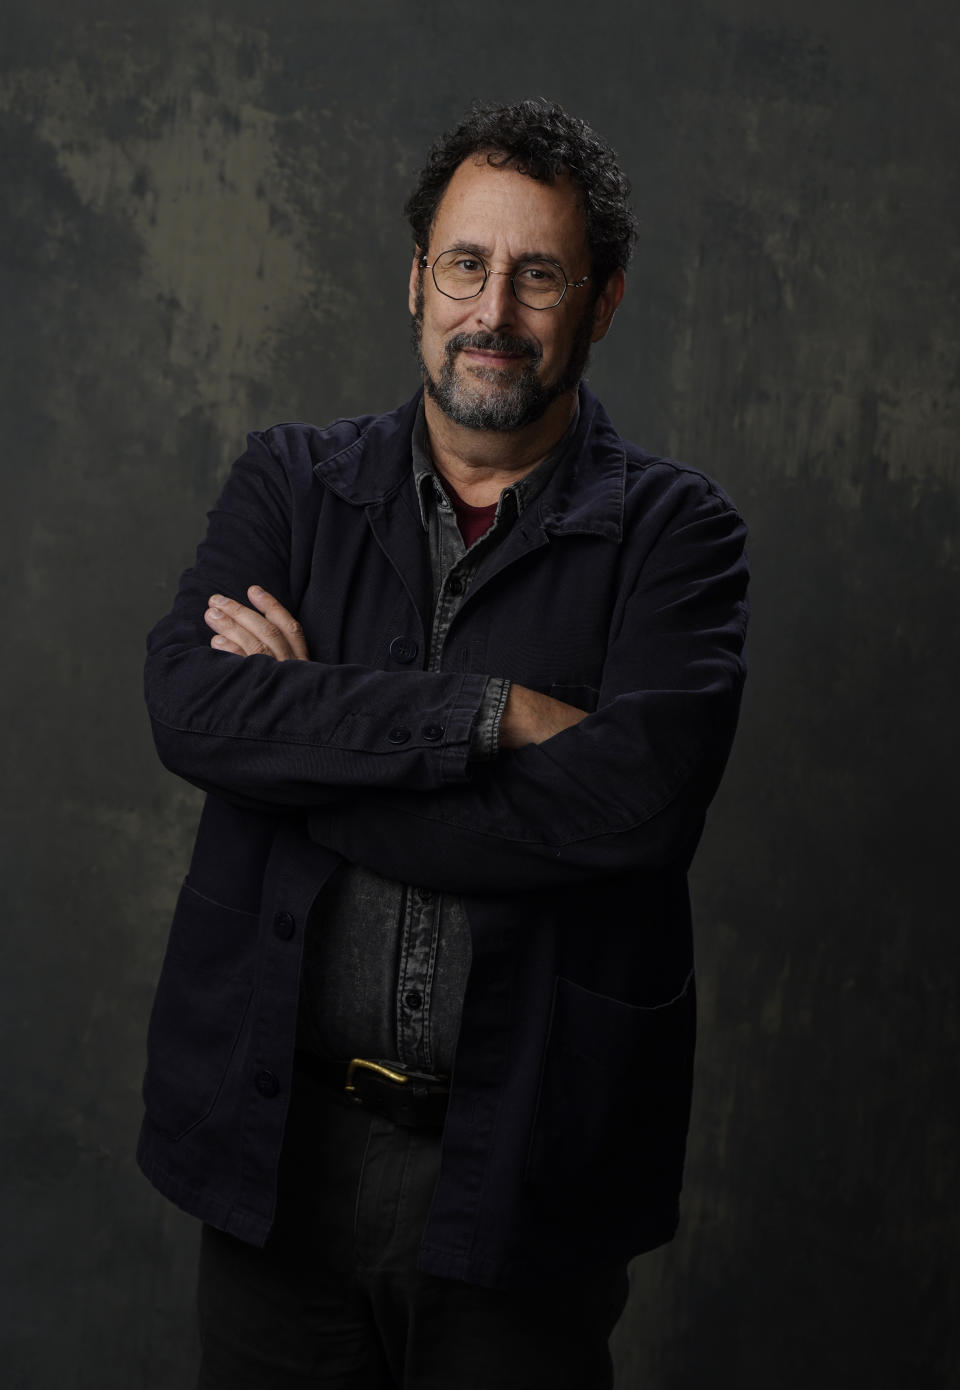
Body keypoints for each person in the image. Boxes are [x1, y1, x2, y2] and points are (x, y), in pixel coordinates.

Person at [139, 99, 749, 1390]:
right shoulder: (292, 483)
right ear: (418, 279)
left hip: (525, 1190)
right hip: (276, 1169)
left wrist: (305, 750)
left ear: (604, 301)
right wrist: (488, 716)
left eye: (539, 275)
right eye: (467, 265)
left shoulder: (680, 536)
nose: (494, 311)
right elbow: (189, 705)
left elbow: (635, 809)